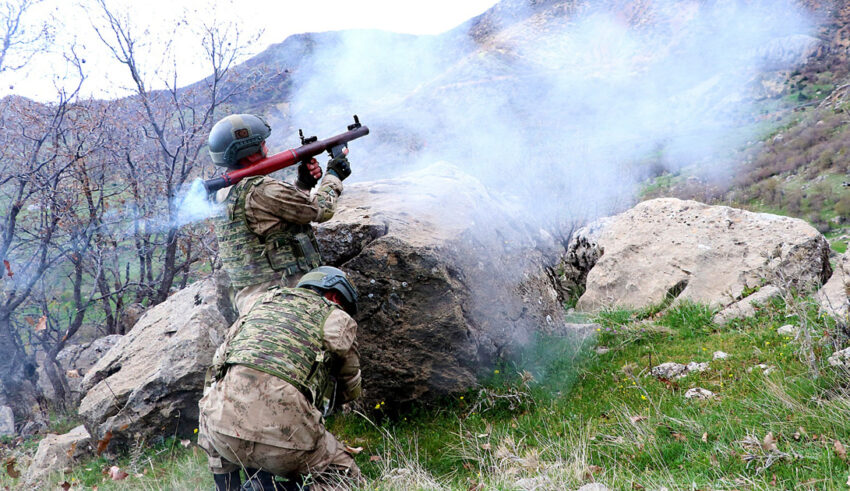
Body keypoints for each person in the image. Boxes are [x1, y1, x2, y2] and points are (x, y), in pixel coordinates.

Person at [199, 266, 363, 491]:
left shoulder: (260, 302)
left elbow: (218, 365)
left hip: (222, 436)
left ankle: (230, 487)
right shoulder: (337, 317)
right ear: (335, 296)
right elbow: (349, 389)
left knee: (215, 399)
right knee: (346, 477)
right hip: (286, 443)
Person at [207, 114, 353, 314]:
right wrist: (334, 174)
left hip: (252, 303)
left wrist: (303, 184)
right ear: (250, 152)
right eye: (262, 144)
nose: (266, 148)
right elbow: (320, 210)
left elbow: (271, 217)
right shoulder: (261, 189)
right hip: (286, 297)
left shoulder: (221, 193)